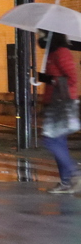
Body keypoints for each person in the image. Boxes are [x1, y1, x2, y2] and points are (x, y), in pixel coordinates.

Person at [37, 30, 80, 193]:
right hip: (54, 102)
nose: (39, 37)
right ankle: (67, 181)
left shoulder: (62, 53)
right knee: (59, 142)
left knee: (50, 140)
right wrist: (42, 78)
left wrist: (49, 79)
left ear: (51, 36)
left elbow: (72, 78)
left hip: (62, 103)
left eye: (42, 34)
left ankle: (73, 172)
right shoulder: (52, 53)